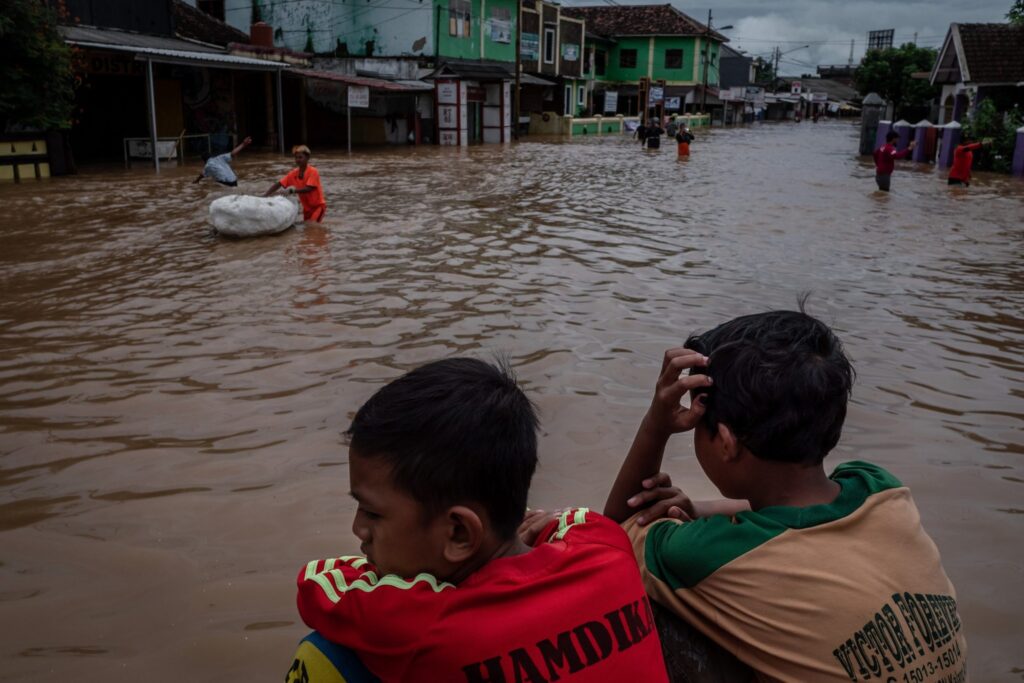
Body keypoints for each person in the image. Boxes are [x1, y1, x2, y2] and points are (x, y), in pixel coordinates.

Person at [605, 309, 967, 682]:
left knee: (657, 606)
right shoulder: (879, 488)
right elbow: (787, 512)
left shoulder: (705, 555)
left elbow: (616, 532)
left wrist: (656, 424)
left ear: (726, 443)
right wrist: (698, 508)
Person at [290, 358, 670, 683]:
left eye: (372, 513)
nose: (359, 529)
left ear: (459, 533)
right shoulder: (607, 549)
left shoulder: (420, 627)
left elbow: (317, 583)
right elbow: (575, 519)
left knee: (325, 653)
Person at [265, 144, 326, 223]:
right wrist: (265, 195)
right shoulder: (293, 173)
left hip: (318, 206)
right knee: (307, 230)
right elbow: (279, 184)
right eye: (296, 157)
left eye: (300, 157)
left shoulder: (313, 171)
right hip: (307, 209)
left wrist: (292, 191)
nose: (298, 160)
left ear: (307, 158)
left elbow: (309, 188)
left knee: (312, 227)